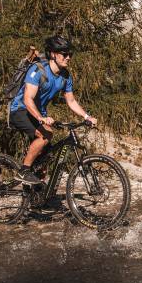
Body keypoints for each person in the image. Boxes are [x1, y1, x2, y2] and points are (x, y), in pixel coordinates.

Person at [8, 35, 97, 184]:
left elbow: (71, 101)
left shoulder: (65, 76)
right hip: (20, 110)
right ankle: (23, 171)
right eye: (64, 54)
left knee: (46, 156)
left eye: (70, 54)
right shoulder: (38, 70)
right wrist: (41, 118)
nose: (68, 57)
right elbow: (27, 99)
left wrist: (87, 116)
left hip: (37, 114)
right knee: (46, 135)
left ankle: (38, 197)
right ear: (53, 54)